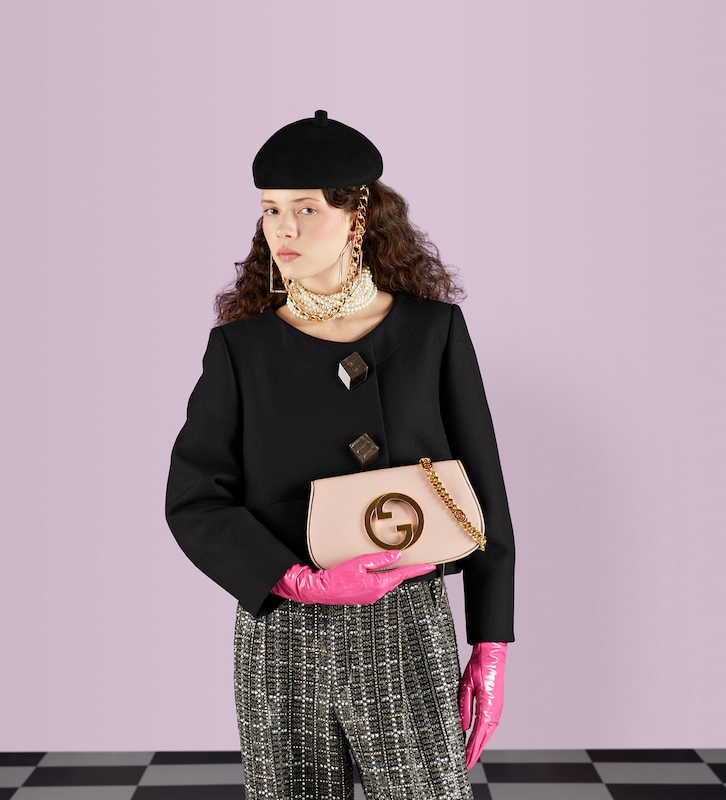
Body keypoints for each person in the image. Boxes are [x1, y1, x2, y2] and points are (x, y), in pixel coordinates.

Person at [165, 110, 515, 800]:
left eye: (305, 209)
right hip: (281, 632)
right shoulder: (241, 350)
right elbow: (194, 500)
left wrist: (491, 641)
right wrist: (299, 581)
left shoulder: (434, 332)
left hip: (407, 624)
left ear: (357, 216)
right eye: (270, 210)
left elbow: (485, 491)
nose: (283, 229)